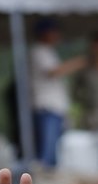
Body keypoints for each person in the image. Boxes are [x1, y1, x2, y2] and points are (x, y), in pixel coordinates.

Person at [29, 18, 86, 168]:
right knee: (47, 152)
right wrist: (78, 62)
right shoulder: (38, 51)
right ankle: (42, 176)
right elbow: (53, 71)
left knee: (55, 151)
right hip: (47, 108)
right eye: (53, 32)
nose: (57, 35)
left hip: (56, 108)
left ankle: (49, 174)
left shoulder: (49, 51)